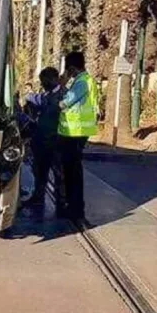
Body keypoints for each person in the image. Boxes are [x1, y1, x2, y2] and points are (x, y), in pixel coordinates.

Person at [57, 51, 99, 221]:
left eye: (68, 70)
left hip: (75, 132)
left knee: (72, 173)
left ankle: (75, 209)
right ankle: (73, 207)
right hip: (76, 132)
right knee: (71, 172)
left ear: (72, 68)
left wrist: (61, 85)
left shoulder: (82, 82)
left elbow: (63, 103)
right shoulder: (84, 81)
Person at [21, 67, 63, 216]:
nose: (43, 84)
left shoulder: (62, 95)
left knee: (59, 173)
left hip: (57, 141)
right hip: (41, 141)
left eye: (44, 81)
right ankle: (38, 197)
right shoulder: (47, 94)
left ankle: (62, 203)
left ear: (53, 79)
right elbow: (36, 99)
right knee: (39, 171)